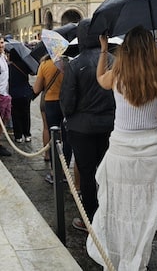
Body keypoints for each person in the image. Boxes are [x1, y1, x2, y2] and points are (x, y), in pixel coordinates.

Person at [87, 25, 157, 270]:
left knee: (118, 204)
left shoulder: (117, 72)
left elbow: (100, 80)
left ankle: (117, 256)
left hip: (121, 148)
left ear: (126, 47)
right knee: (144, 210)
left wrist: (104, 51)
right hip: (151, 150)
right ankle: (136, 260)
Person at [59, 18, 115, 233]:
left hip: (82, 127)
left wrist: (68, 116)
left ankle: (90, 218)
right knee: (106, 171)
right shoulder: (113, 60)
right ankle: (107, 212)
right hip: (109, 124)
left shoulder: (75, 64)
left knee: (87, 172)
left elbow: (68, 100)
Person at [33, 53, 68, 183]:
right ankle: (65, 170)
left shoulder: (44, 64)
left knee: (54, 137)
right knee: (66, 138)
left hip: (50, 103)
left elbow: (36, 88)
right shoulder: (67, 63)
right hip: (65, 103)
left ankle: (55, 172)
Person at [8, 50, 33, 143]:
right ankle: (27, 134)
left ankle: (18, 135)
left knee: (15, 115)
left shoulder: (9, 67)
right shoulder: (25, 65)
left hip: (14, 94)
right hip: (25, 93)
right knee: (26, 114)